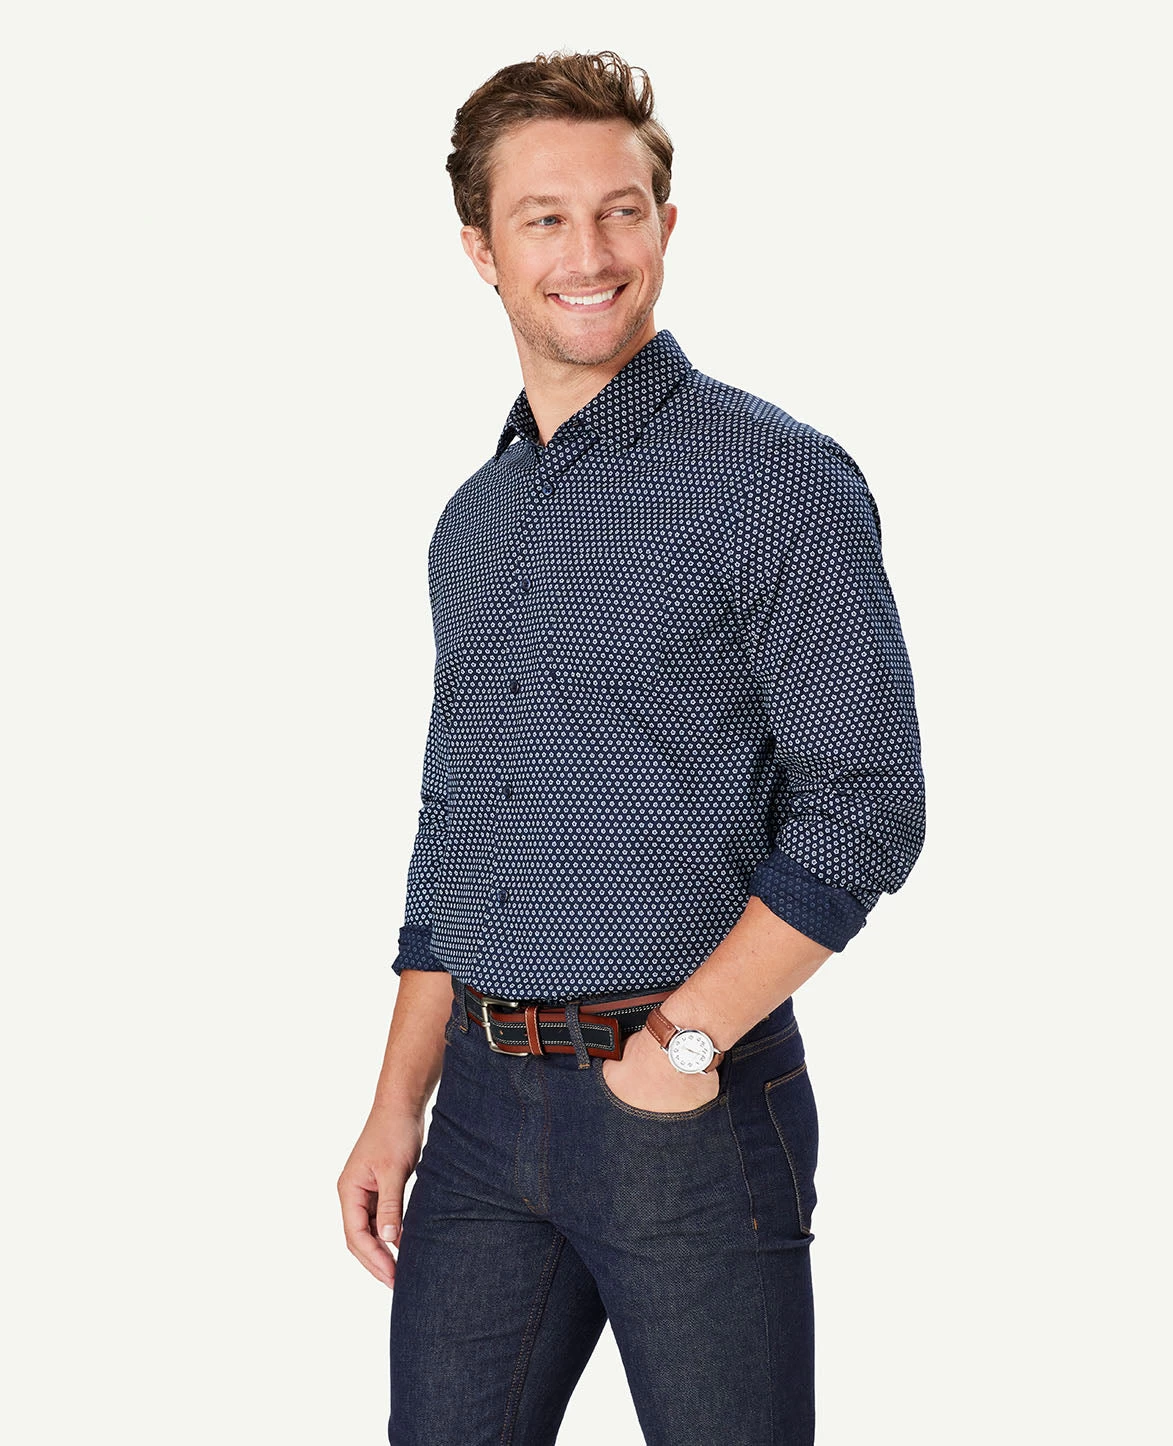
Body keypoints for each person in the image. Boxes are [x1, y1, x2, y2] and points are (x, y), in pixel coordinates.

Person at [338, 50, 925, 1445]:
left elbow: (867, 804)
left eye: (620, 211)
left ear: (666, 225)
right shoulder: (475, 518)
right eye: (545, 218)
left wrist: (681, 1042)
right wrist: (396, 1104)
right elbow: (457, 828)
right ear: (482, 250)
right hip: (480, 1120)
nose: (590, 253)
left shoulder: (775, 478)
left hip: (688, 1113)